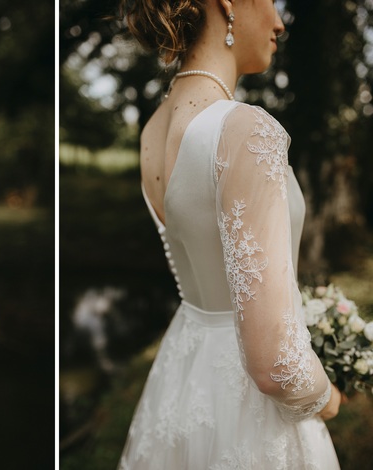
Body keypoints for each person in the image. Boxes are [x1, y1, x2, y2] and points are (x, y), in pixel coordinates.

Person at [117, 0, 344, 468]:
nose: (280, 22)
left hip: (186, 371)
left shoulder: (153, 131)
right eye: (272, 1)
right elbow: (275, 364)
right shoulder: (244, 128)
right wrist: (328, 398)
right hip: (250, 410)